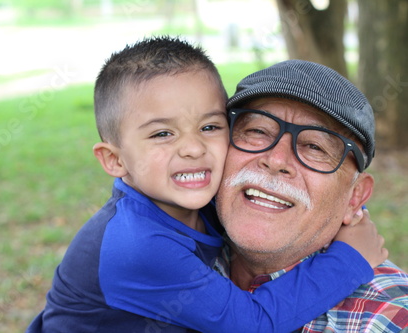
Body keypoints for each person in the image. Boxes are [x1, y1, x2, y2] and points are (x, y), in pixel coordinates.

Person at [27, 37, 387, 333]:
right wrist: (348, 259)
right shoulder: (138, 244)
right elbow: (251, 324)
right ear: (115, 160)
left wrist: (349, 214)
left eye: (210, 127)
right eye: (163, 133)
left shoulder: (193, 204)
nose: (193, 148)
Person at [216, 59, 408, 332]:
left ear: (354, 197)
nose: (276, 159)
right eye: (257, 131)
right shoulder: (168, 246)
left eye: (315, 147)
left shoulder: (387, 319)